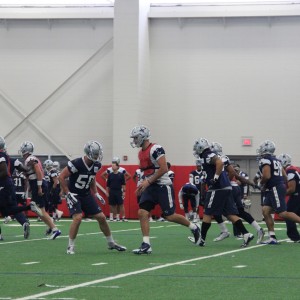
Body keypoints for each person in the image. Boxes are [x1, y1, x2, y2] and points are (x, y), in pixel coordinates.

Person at [129, 125, 201, 254]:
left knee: (169, 216)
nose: (134, 140)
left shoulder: (155, 149)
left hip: (162, 185)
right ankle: (146, 244)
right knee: (142, 212)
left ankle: (194, 227)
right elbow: (146, 172)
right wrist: (141, 184)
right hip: (150, 186)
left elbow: (163, 169)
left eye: (136, 137)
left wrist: (148, 181)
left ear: (143, 137)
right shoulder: (140, 153)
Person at [58, 140, 126, 254]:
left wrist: (96, 193)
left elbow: (92, 177)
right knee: (78, 217)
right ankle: (70, 246)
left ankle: (111, 243)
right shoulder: (76, 163)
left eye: (98, 153)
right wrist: (67, 193)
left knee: (101, 217)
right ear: (88, 153)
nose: (97, 156)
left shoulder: (96, 165)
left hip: (86, 194)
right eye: (95, 154)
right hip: (74, 194)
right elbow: (61, 177)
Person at [192, 138, 254, 247]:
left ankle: (201, 239)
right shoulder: (208, 155)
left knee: (207, 212)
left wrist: (215, 178)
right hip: (225, 187)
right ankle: (246, 234)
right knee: (230, 214)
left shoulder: (207, 154)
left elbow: (219, 163)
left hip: (217, 188)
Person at [210, 142, 265, 244]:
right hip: (234, 187)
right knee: (240, 212)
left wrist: (225, 183)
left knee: (215, 209)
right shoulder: (223, 158)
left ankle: (225, 231)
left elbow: (231, 174)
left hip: (227, 188)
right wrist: (251, 183)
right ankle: (259, 229)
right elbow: (235, 174)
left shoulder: (216, 160)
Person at [257, 140, 300, 244]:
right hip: (274, 187)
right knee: (266, 211)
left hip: (274, 187)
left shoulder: (265, 160)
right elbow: (285, 177)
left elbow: (267, 176)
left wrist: (261, 183)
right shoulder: (276, 160)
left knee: (282, 213)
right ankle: (272, 237)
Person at [0, 137, 43, 240]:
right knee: (13, 208)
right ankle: (25, 220)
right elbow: (24, 168)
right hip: (10, 186)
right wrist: (31, 167)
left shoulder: (1, 156)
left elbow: (5, 172)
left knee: (7, 210)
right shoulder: (11, 159)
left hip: (2, 186)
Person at [19, 141, 61, 240]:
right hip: (37, 183)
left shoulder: (30, 159)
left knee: (38, 208)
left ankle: (54, 228)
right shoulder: (30, 159)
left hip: (38, 183)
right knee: (37, 209)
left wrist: (39, 186)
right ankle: (51, 226)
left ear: (25, 150)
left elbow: (37, 170)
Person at [277, 153, 300, 242]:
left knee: (288, 215)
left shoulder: (290, 171)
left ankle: (295, 237)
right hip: (297, 195)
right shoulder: (295, 169)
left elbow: (292, 189)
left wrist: (282, 194)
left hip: (296, 196)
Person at [101, 157, 131, 221]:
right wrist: (107, 180)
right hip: (112, 188)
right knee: (113, 204)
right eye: (113, 163)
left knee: (120, 203)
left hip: (119, 188)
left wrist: (123, 181)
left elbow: (129, 176)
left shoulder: (122, 170)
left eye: (114, 163)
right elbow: (102, 175)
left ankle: (122, 216)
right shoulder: (109, 170)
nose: (113, 165)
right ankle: (114, 217)